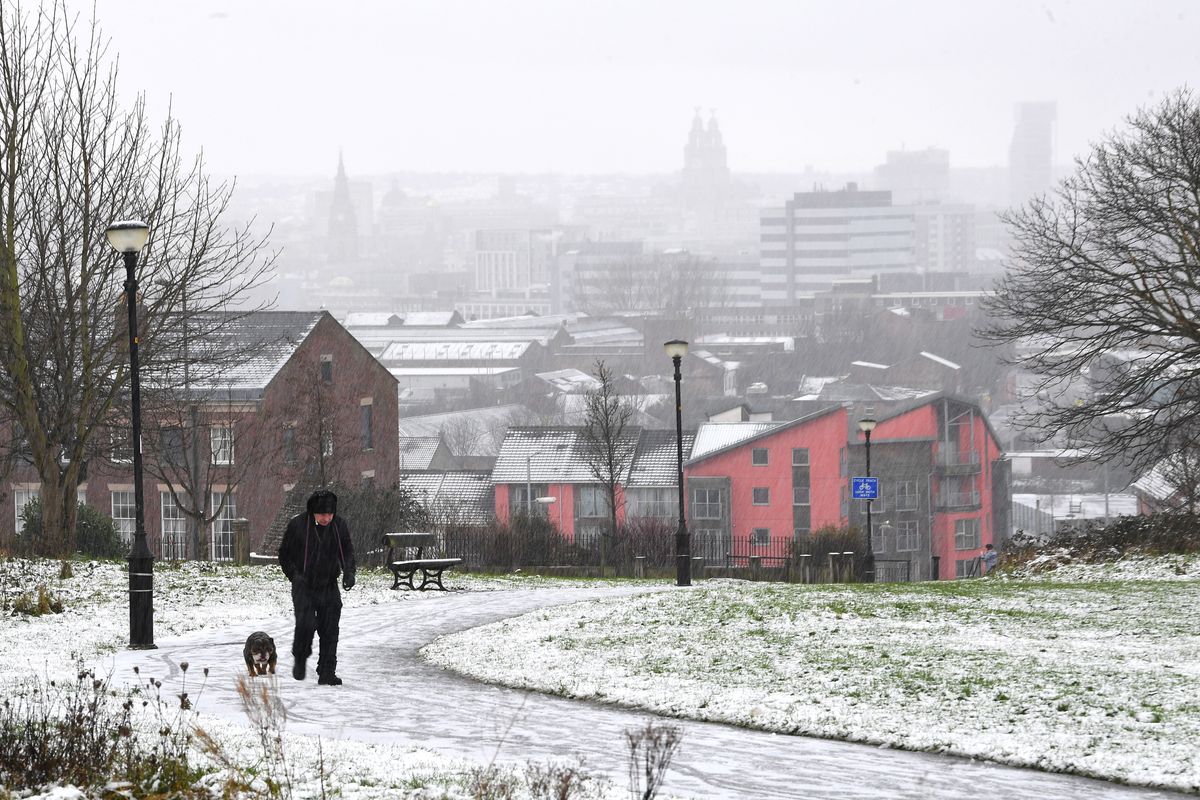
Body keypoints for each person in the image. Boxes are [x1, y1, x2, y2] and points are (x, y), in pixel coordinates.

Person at [278, 489, 356, 686]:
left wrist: (349, 572)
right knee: (306, 625)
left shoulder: (339, 526)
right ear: (313, 512)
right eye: (322, 514)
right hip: (303, 584)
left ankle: (327, 671)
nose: (326, 518)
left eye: (330, 514)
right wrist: (294, 576)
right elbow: (284, 554)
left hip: (328, 583)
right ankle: (301, 657)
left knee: (330, 628)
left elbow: (347, 551)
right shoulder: (297, 526)